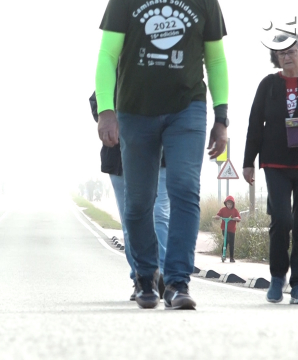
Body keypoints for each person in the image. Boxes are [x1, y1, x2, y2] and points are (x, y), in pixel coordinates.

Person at [95, 0, 229, 310]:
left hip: (188, 108)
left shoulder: (205, 3)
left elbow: (217, 59)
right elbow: (107, 55)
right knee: (139, 200)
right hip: (135, 110)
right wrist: (105, 109)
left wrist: (221, 118)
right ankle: (145, 275)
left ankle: (177, 282)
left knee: (184, 189)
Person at [243, 34, 298, 305]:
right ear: (276, 57)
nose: (286, 55)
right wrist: (249, 162)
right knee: (282, 220)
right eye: (281, 52)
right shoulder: (268, 85)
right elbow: (254, 123)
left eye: (292, 50)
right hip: (275, 163)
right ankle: (276, 277)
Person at [90, 92, 170, 301]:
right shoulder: (113, 72)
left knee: (159, 214)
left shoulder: (162, 67)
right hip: (120, 158)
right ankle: (141, 275)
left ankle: (159, 273)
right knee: (130, 220)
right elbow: (96, 102)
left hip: (159, 155)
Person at [213, 196, 241, 263]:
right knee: (226, 240)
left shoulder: (235, 210)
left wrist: (236, 218)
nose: (229, 205)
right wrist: (217, 217)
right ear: (226, 204)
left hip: (232, 229)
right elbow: (218, 215)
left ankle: (231, 257)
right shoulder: (223, 210)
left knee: (232, 243)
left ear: (233, 204)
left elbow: (238, 218)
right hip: (224, 229)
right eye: (228, 204)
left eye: (230, 204)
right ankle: (223, 255)